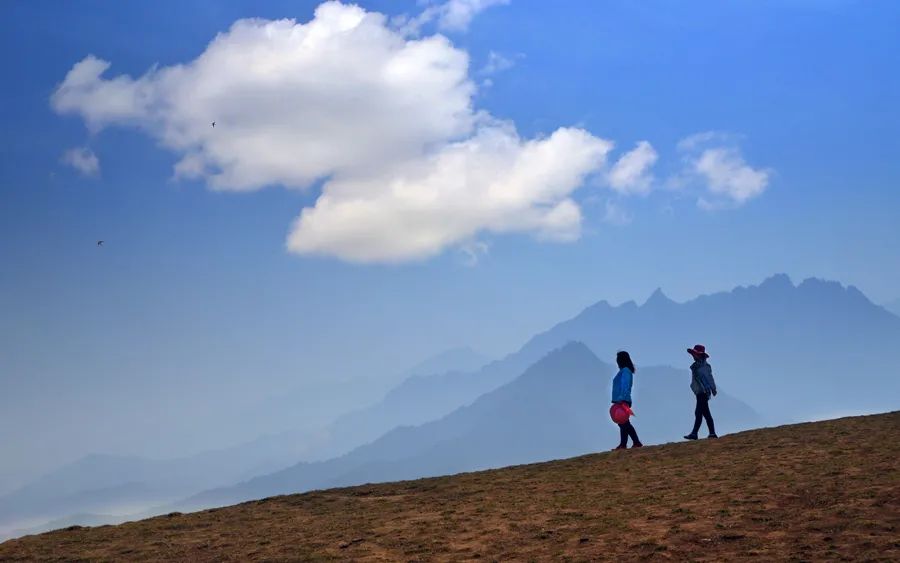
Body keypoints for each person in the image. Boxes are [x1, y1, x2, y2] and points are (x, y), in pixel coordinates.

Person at [684, 344, 718, 440]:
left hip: (703, 391)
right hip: (700, 391)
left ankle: (695, 433)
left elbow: (710, 378)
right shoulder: (697, 366)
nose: (694, 356)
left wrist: (713, 388)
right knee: (705, 413)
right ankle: (712, 433)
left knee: (699, 412)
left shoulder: (704, 366)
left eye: (695, 354)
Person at [611, 350, 643, 449]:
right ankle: (623, 444)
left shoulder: (625, 371)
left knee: (624, 423)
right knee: (623, 423)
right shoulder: (624, 371)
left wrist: (621, 398)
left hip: (623, 399)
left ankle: (636, 442)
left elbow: (625, 385)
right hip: (620, 399)